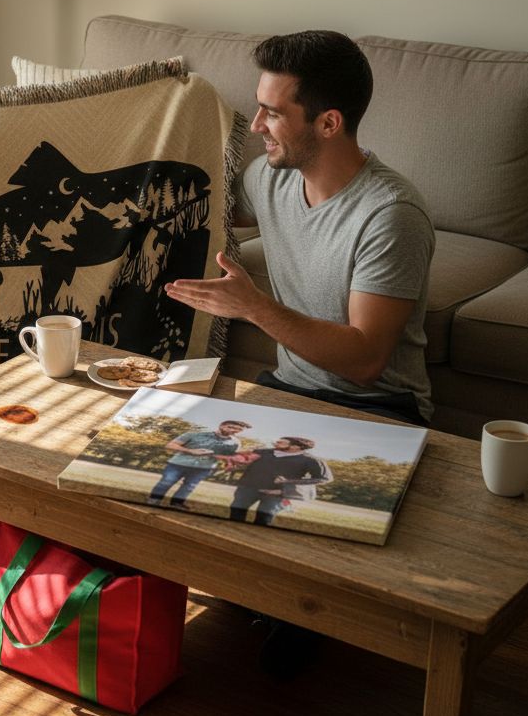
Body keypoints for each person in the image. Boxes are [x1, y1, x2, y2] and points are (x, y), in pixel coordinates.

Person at [164, 31, 435, 427]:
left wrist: (253, 306)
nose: (256, 125)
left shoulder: (391, 215)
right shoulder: (269, 180)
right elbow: (198, 202)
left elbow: (365, 362)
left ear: (328, 123)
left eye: (272, 113)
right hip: (286, 391)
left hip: (375, 408)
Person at [227, 437, 331, 526]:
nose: (276, 443)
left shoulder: (311, 460)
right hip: (247, 488)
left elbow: (323, 478)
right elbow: (244, 464)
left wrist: (289, 482)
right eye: (277, 441)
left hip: (277, 494)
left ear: (296, 447)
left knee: (263, 520)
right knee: (236, 514)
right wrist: (236, 465)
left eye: (281, 442)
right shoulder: (261, 452)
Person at [148, 420, 251, 507]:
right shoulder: (195, 434)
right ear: (221, 425)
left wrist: (233, 462)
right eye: (231, 427)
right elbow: (170, 445)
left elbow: (228, 456)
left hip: (204, 467)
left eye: (238, 429)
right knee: (166, 482)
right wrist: (191, 451)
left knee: (189, 486)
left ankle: (176, 503)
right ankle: (154, 500)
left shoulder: (236, 442)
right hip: (179, 463)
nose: (233, 430)